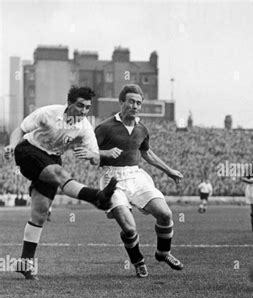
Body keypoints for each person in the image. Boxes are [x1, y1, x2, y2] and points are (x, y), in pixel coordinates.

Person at [3, 86, 117, 280]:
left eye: (87, 107)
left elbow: (96, 159)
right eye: (80, 105)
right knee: (58, 172)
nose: (83, 111)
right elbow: (20, 129)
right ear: (69, 103)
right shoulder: (48, 113)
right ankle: (96, 197)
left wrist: (92, 155)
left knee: (40, 213)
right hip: (28, 150)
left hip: (52, 158)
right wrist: (12, 146)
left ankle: (25, 263)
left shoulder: (84, 127)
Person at [95, 84, 184, 278]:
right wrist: (104, 152)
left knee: (165, 214)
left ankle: (163, 253)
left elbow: (146, 152)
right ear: (122, 102)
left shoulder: (141, 129)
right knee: (129, 228)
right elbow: (87, 152)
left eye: (139, 103)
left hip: (136, 176)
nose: (135, 106)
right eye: (131, 101)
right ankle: (138, 261)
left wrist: (169, 171)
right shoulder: (104, 127)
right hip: (113, 179)